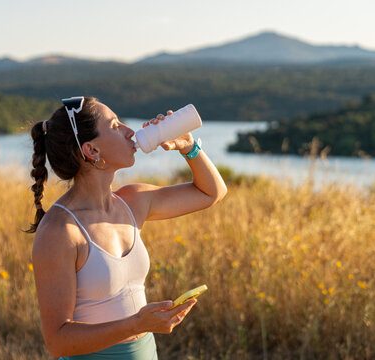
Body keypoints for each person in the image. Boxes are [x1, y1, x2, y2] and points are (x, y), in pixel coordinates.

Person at [28, 96, 227, 359]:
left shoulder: (133, 202)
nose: (130, 132)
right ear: (92, 150)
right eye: (114, 126)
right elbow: (57, 341)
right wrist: (137, 324)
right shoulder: (60, 231)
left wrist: (187, 146)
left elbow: (212, 193)